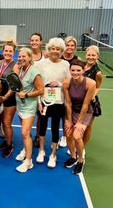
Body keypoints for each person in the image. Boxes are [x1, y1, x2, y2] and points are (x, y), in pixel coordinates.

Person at [36, 37, 70, 168]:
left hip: (58, 101)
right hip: (44, 101)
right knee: (43, 127)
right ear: (48, 50)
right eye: (52, 49)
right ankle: (42, 151)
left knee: (56, 128)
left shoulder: (66, 64)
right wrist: (39, 101)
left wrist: (59, 84)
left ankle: (53, 155)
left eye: (58, 49)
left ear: (61, 50)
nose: (55, 51)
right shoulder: (41, 64)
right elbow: (37, 84)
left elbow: (68, 83)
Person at [63, 60, 96, 175]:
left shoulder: (90, 83)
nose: (75, 72)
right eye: (73, 70)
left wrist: (79, 122)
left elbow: (86, 104)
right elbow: (68, 103)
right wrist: (68, 119)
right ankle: (73, 157)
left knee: (77, 136)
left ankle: (81, 160)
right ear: (70, 70)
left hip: (86, 111)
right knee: (68, 133)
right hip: (72, 110)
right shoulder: (66, 83)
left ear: (83, 71)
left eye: (78, 70)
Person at [14, 48, 44, 173]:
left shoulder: (35, 72)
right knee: (25, 133)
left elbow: (41, 90)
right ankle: (25, 150)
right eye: (19, 56)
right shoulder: (20, 69)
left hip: (29, 106)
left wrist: (26, 95)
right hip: (20, 105)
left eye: (23, 56)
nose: (20, 58)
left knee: (25, 133)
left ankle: (28, 161)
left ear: (30, 57)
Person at [0, 40, 17, 157]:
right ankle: (6, 141)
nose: (8, 53)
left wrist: (5, 97)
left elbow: (14, 86)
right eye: (6, 50)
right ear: (2, 51)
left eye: (10, 51)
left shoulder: (16, 66)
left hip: (9, 97)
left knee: (7, 123)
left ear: (14, 52)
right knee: (2, 121)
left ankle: (9, 146)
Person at [59, 36, 82, 148]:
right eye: (68, 45)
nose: (69, 47)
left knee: (69, 116)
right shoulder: (59, 57)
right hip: (58, 91)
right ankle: (63, 136)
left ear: (75, 47)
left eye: (72, 45)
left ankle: (67, 136)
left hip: (72, 92)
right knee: (61, 115)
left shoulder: (78, 60)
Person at [83, 45, 103, 149]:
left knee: (87, 127)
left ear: (97, 56)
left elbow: (98, 87)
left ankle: (82, 147)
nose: (91, 57)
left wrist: (92, 96)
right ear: (85, 55)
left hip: (90, 102)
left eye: (93, 55)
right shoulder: (82, 66)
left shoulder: (98, 72)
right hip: (78, 99)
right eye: (89, 55)